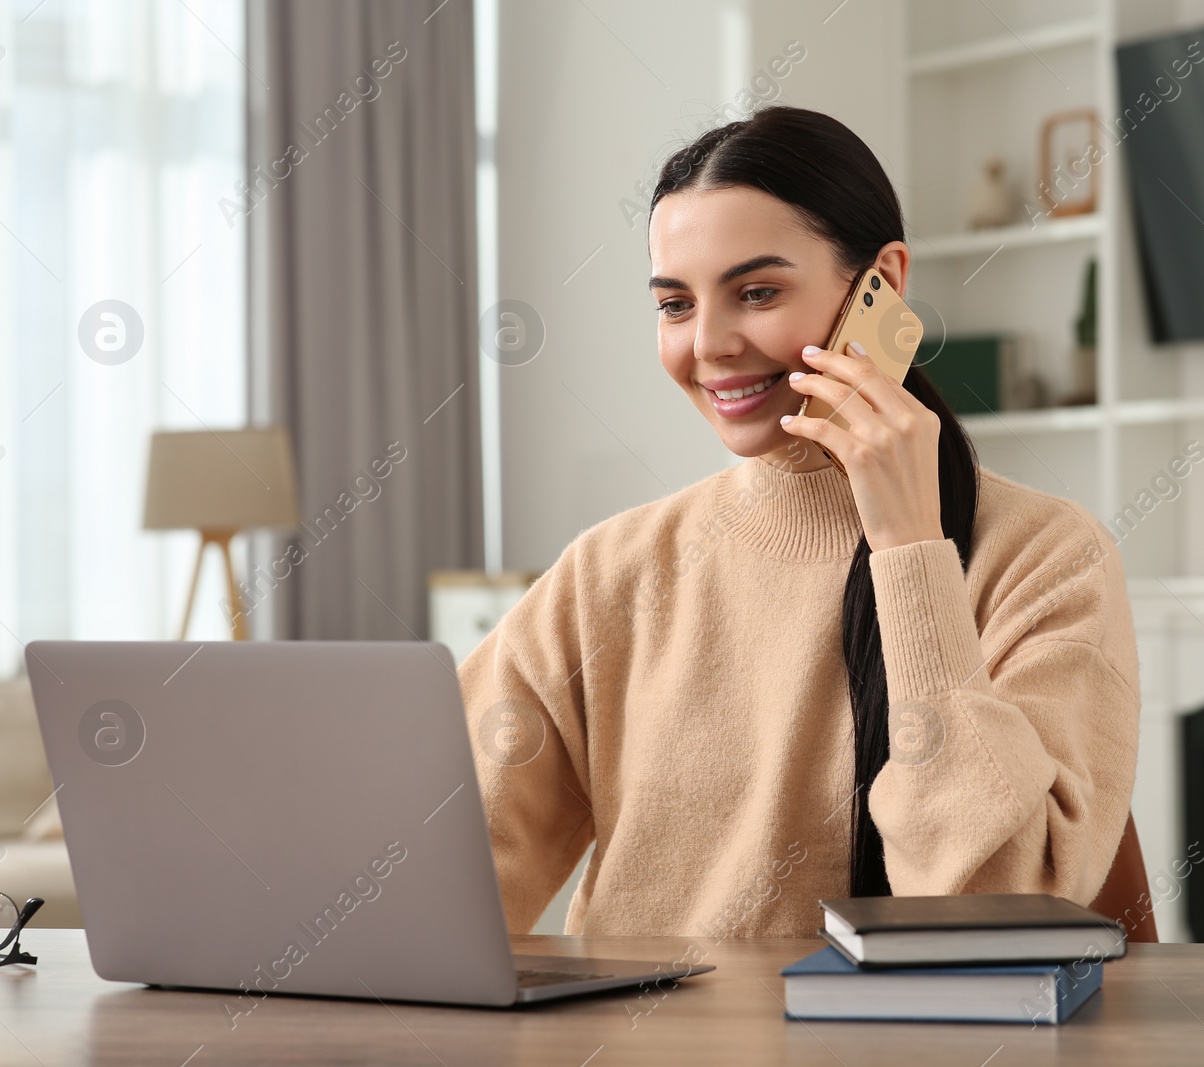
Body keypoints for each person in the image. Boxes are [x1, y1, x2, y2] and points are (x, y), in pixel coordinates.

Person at [460, 106, 1139, 939]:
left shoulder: (1046, 557)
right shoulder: (611, 571)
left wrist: (909, 548)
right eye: (675, 305)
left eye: (756, 293)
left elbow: (986, 911)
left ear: (881, 286)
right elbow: (445, 877)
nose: (708, 344)